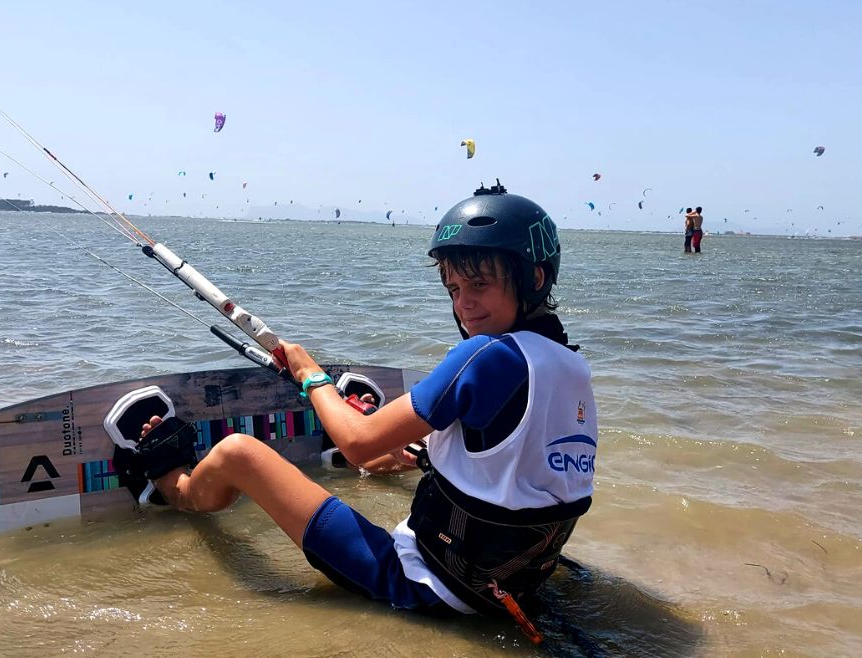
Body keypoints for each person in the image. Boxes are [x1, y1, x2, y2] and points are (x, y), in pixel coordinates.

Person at [128, 181, 598, 639]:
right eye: (454, 289)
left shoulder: (485, 356)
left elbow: (355, 444)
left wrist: (310, 375)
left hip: (428, 585)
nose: (465, 305)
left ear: (533, 278)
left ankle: (175, 485)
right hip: (509, 587)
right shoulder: (572, 367)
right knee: (400, 450)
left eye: (478, 284)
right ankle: (376, 429)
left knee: (238, 454)